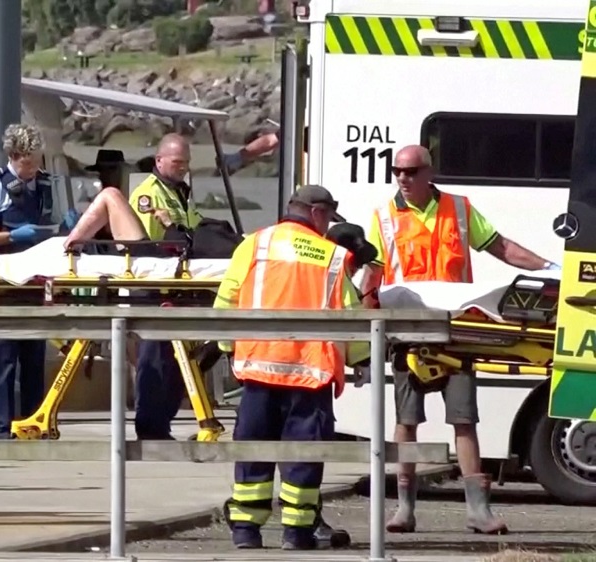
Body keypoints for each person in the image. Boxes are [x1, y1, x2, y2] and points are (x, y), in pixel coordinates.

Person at [360, 144, 558, 536]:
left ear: (428, 172)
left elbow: (501, 247)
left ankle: (478, 511)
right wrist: (367, 328)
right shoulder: (382, 216)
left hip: (457, 332)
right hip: (407, 333)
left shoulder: (459, 208)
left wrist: (550, 268)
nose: (403, 178)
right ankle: (404, 509)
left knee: (464, 420)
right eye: (397, 171)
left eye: (411, 171)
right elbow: (373, 274)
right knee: (406, 421)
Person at [215, 185, 368, 550]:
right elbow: (351, 316)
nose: (328, 224)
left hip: (258, 370)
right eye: (328, 216)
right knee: (304, 455)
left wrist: (226, 347)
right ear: (316, 212)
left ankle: (246, 532)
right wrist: (361, 358)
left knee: (253, 450)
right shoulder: (332, 256)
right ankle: (297, 533)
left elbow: (226, 298)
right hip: (308, 375)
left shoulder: (254, 243)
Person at [0, 123, 57, 440]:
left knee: (35, 360)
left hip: (36, 284)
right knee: (4, 361)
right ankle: (2, 428)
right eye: (27, 163)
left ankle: (33, 423)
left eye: (37, 161)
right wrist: (11, 235)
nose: (33, 169)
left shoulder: (46, 185)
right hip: (4, 286)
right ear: (14, 156)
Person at [128, 134, 203, 440]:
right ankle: (149, 426)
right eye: (177, 162)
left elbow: (194, 228)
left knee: (175, 359)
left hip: (177, 282)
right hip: (154, 285)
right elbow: (146, 244)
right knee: (154, 358)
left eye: (186, 162)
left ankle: (163, 423)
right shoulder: (148, 195)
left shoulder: (179, 191)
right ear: (159, 160)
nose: (183, 167)